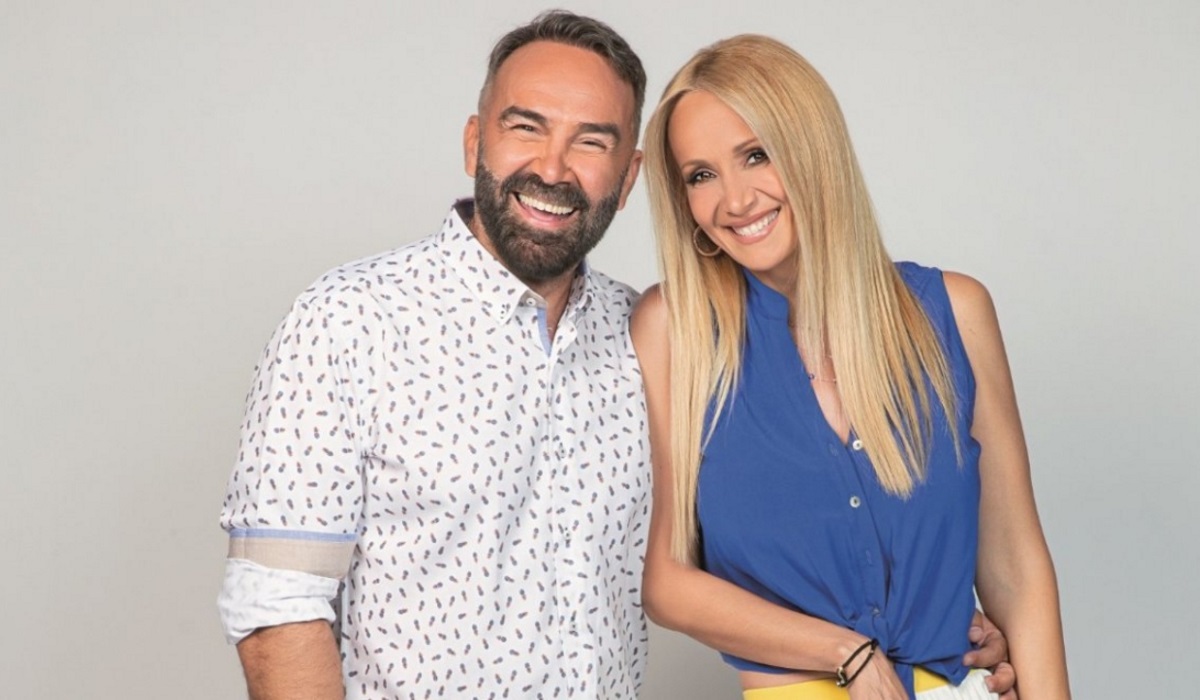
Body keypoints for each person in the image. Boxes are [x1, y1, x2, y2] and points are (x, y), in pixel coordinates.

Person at [217, 12, 1018, 699]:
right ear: (474, 141)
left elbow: (758, 531)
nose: (553, 167)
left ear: (630, 177)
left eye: (591, 141)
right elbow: (276, 609)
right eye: (526, 126)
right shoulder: (348, 322)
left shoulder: (652, 338)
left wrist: (933, 621)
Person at [631, 35, 1068, 700]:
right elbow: (667, 581)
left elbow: (1016, 566)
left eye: (756, 155)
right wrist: (849, 653)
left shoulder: (954, 312)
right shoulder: (675, 331)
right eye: (701, 175)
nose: (735, 200)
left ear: (814, 149)